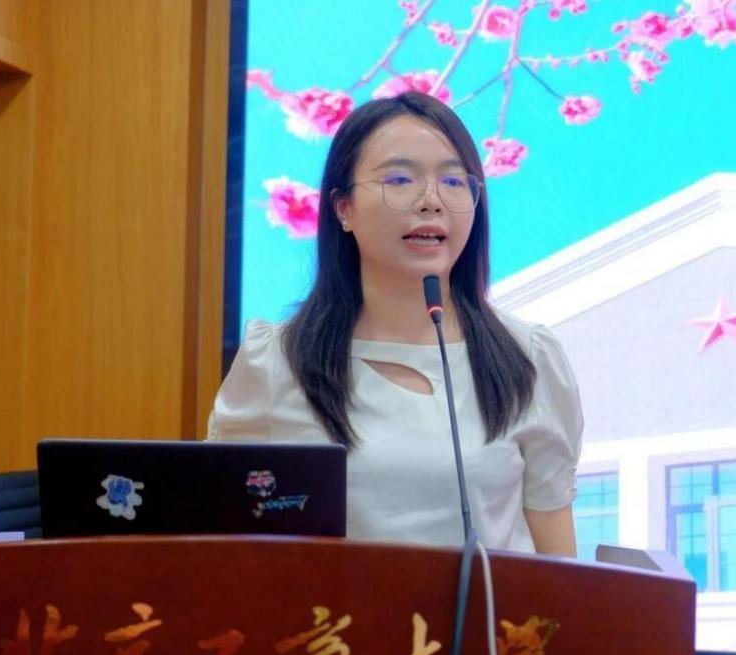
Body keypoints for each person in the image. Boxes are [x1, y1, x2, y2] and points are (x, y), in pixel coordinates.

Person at [209, 91, 582, 556]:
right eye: (400, 179)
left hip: (489, 607)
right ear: (343, 207)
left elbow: (557, 562)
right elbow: (222, 540)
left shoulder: (527, 357)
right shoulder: (276, 362)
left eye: (453, 180)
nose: (431, 201)